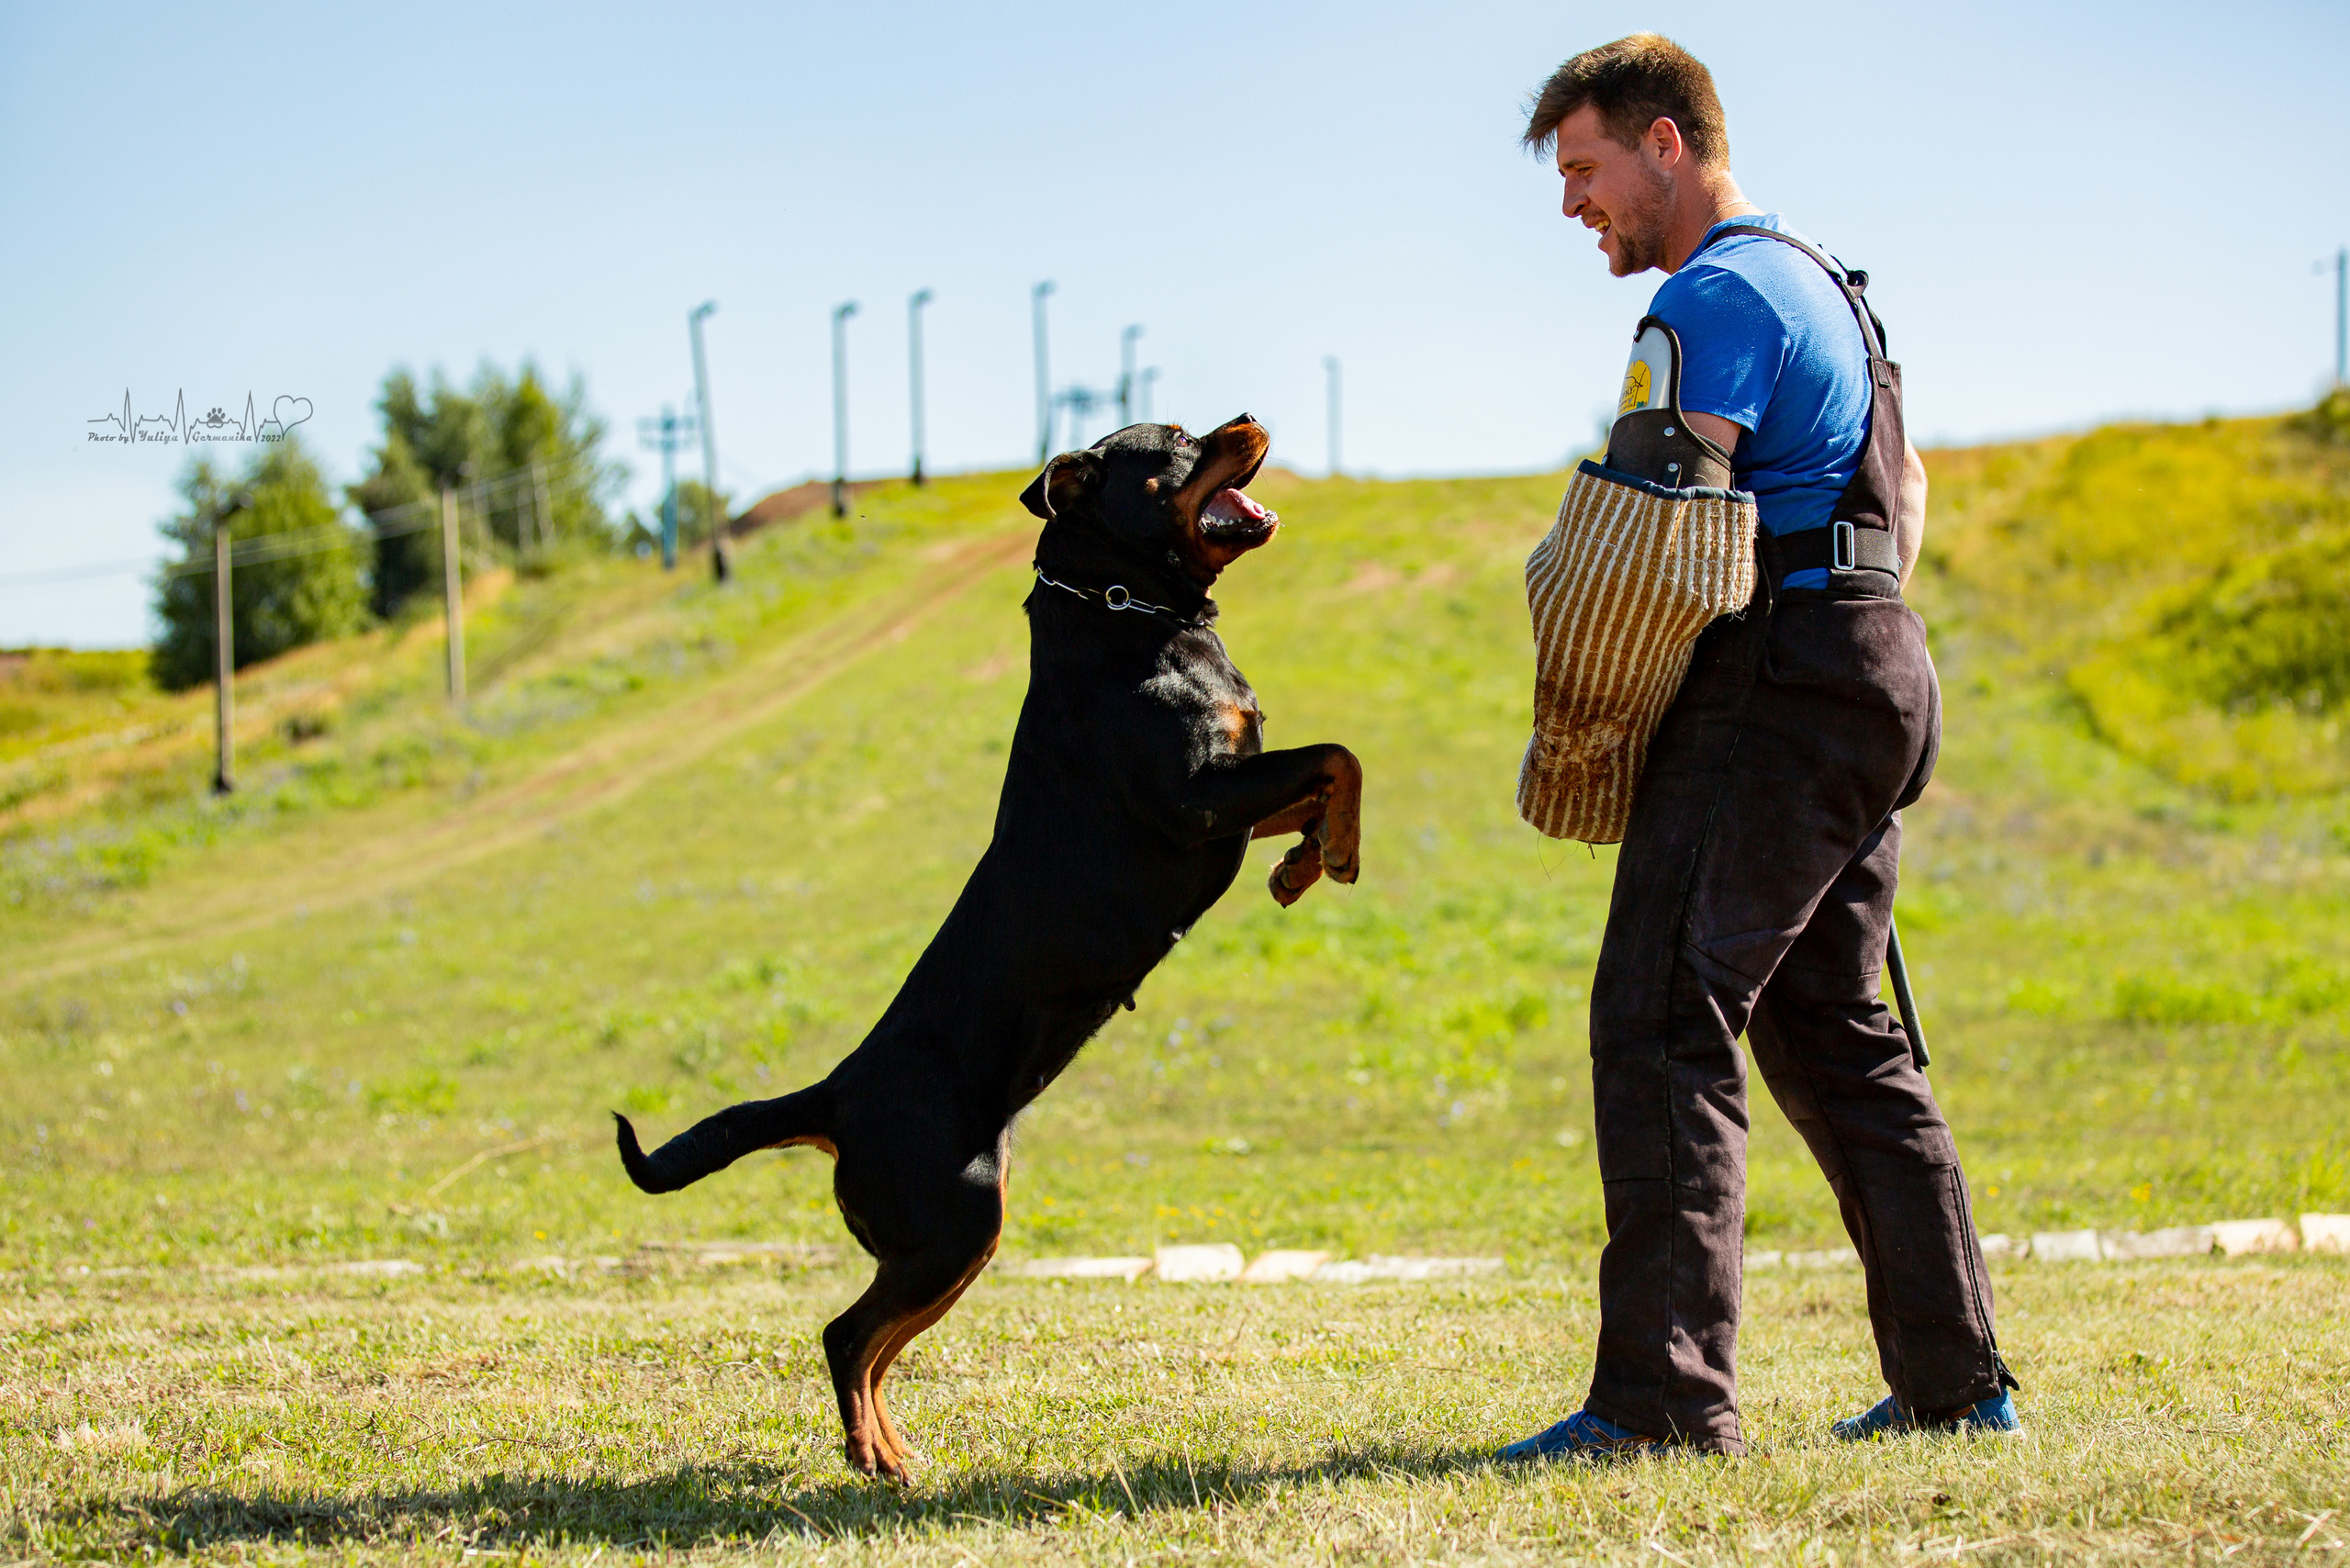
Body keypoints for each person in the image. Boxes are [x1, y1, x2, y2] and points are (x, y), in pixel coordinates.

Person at [1500, 35, 2020, 1461]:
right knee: (1836, 1028)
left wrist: (1595, 713)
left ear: (1668, 144)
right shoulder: (1830, 286)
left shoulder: (1712, 291)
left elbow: (1652, 528)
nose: (1574, 206)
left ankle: (1663, 1405)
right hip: (1870, 654)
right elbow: (1901, 489)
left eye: (1587, 170)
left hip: (1776, 669)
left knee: (1665, 1008)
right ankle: (1957, 1383)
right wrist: (1857, 647)